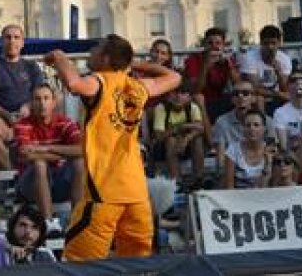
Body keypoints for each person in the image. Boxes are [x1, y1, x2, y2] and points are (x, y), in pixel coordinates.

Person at [44, 34, 181, 260]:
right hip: (136, 194)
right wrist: (132, 64)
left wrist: (59, 57)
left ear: (106, 58)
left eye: (97, 47)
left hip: (104, 192)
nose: (91, 51)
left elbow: (74, 84)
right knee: (138, 266)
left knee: (80, 264)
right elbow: (174, 77)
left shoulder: (100, 81)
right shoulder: (136, 86)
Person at [11, 84, 84, 222]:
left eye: (46, 98)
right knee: (39, 164)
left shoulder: (65, 123)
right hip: (30, 185)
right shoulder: (22, 124)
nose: (42, 103)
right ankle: (49, 223)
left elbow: (82, 150)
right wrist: (66, 152)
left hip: (59, 181)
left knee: (79, 162)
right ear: (31, 103)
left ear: (54, 102)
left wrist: (46, 149)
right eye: (37, 99)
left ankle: (77, 220)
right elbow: (27, 154)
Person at [0, 24, 45, 170]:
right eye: (8, 37)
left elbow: (42, 94)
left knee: (54, 98)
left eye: (16, 37)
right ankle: (13, 172)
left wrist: (28, 106)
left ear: (22, 43)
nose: (12, 41)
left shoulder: (32, 66)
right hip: (3, 120)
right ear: (1, 41)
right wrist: (6, 115)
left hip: (31, 116)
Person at [151, 81, 206, 182]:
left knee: (198, 139)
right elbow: (159, 136)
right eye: (175, 92)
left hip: (186, 145)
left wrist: (186, 139)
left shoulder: (193, 107)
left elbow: (200, 128)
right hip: (164, 149)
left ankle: (199, 179)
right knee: (171, 140)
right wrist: (179, 129)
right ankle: (176, 181)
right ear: (168, 95)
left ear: (189, 97)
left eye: (183, 93)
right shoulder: (161, 108)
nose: (178, 96)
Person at [183, 27, 239, 121]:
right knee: (198, 98)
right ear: (204, 44)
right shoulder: (193, 60)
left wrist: (230, 65)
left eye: (218, 43)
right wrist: (206, 66)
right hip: (199, 101)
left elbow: (238, 85)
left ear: (223, 46)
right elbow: (196, 89)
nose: (214, 46)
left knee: (240, 98)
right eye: (210, 43)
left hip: (219, 100)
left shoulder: (226, 60)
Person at [239, 25, 291, 111]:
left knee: (292, 98)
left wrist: (279, 73)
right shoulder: (249, 57)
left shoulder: (284, 59)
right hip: (254, 96)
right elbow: (254, 88)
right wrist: (278, 94)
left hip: (275, 96)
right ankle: (261, 123)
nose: (270, 47)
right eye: (266, 43)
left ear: (279, 43)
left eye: (273, 43)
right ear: (261, 43)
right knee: (260, 99)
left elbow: (284, 89)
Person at [222, 109, 271, 189]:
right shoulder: (233, 150)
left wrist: (268, 163)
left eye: (256, 125)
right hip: (238, 197)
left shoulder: (271, 150)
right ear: (243, 128)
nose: (252, 128)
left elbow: (274, 184)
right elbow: (229, 186)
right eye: (248, 125)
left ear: (264, 128)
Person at [210, 79, 257, 163]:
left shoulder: (266, 122)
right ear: (232, 99)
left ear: (254, 98)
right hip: (231, 168)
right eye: (236, 94)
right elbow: (220, 157)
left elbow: (270, 153)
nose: (240, 96)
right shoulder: (221, 122)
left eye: (245, 93)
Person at [273, 71, 302, 150]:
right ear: (288, 86)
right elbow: (284, 146)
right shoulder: (280, 112)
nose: (298, 82)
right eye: (293, 80)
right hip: (296, 155)